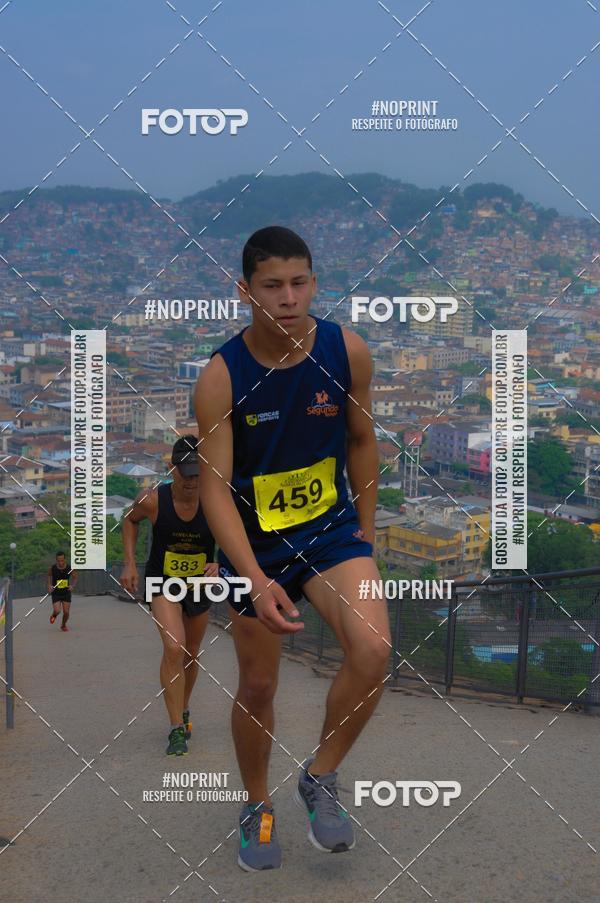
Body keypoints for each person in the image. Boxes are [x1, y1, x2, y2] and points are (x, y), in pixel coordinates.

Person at [195, 226, 390, 871]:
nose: (288, 298)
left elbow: (363, 443)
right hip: (255, 546)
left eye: (299, 283)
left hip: (331, 531)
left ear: (314, 282)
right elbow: (217, 490)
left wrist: (362, 530)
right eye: (272, 286)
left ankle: (320, 776)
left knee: (374, 650)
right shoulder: (223, 378)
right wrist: (251, 575)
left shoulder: (345, 350)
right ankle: (256, 803)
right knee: (257, 684)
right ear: (244, 289)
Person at [120, 435, 218, 756]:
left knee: (191, 652)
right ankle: (176, 727)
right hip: (163, 581)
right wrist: (130, 564)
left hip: (198, 583)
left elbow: (239, 533)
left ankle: (184, 707)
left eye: (197, 473)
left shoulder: (216, 501)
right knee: (173, 647)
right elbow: (129, 521)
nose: (191, 480)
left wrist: (221, 562)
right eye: (185, 472)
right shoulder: (152, 500)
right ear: (171, 469)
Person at [47, 551, 77, 631]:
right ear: (56, 560)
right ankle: (54, 615)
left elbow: (75, 577)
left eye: (62, 560)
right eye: (59, 560)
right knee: (57, 611)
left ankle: (63, 625)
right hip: (56, 593)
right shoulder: (53, 568)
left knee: (66, 612)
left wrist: (72, 586)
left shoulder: (69, 568)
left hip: (66, 592)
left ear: (65, 559)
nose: (60, 562)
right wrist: (49, 585)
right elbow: (49, 576)